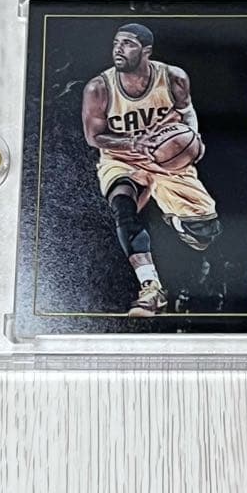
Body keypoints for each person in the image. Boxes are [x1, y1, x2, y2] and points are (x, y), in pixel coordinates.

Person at [82, 23, 221, 316]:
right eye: (116, 42)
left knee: (205, 234)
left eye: (128, 44)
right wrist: (133, 142)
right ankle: (151, 288)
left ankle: (178, 220)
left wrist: (194, 139)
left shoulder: (173, 77)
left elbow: (187, 112)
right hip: (123, 157)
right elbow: (94, 137)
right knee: (123, 204)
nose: (118, 49)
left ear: (146, 51)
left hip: (168, 159)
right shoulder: (99, 88)